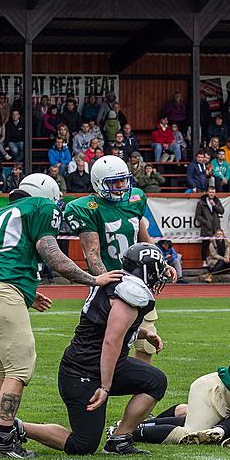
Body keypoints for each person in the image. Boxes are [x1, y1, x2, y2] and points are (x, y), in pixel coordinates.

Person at [0, 173, 122, 459]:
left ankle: (7, 433)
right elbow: (52, 254)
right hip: (4, 296)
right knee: (18, 372)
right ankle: (4, 441)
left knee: (0, 373)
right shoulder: (41, 206)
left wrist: (27, 291)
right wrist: (92, 279)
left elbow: (2, 257)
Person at [21, 244, 170, 456]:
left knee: (155, 381)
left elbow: (104, 326)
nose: (159, 276)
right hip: (83, 372)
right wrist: (106, 386)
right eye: (157, 270)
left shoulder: (117, 282)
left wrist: (144, 333)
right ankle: (17, 427)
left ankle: (120, 439)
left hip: (99, 364)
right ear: (146, 270)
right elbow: (111, 339)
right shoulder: (130, 292)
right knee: (83, 446)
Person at [64, 155, 171, 365]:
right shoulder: (86, 207)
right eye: (114, 182)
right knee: (106, 341)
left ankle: (141, 387)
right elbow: (92, 253)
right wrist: (107, 283)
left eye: (123, 180)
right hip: (111, 282)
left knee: (146, 343)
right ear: (98, 182)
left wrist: (163, 264)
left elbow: (145, 241)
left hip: (140, 283)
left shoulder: (135, 199)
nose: (121, 186)